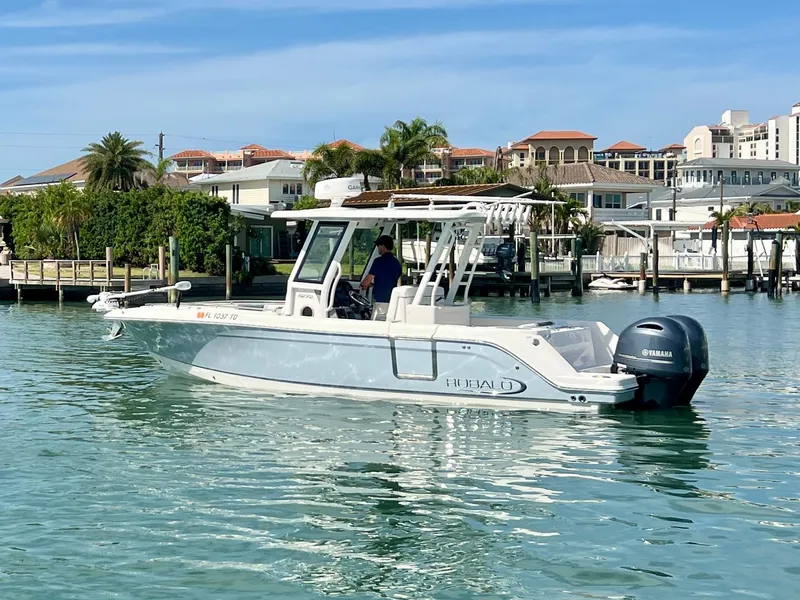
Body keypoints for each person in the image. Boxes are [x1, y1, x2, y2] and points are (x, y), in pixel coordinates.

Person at [360, 234, 402, 320]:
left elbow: (366, 281)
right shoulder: (397, 263)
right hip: (392, 300)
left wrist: (363, 285)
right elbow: (388, 280)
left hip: (381, 301)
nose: (377, 248)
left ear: (382, 246)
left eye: (378, 245)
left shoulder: (379, 261)